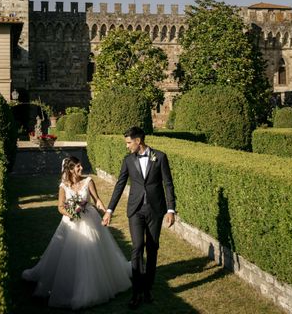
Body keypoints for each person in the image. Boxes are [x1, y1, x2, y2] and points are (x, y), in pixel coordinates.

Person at [22, 156, 131, 310]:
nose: (81, 168)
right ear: (70, 169)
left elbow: (97, 200)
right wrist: (71, 214)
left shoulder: (88, 181)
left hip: (90, 220)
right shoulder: (63, 186)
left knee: (92, 252)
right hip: (71, 223)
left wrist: (106, 213)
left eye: (81, 165)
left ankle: (94, 286)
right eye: (78, 166)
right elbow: (60, 207)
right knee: (68, 253)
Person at [102, 126, 177, 310]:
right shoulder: (128, 160)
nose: (127, 146)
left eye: (129, 142)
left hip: (156, 210)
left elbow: (168, 184)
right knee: (137, 248)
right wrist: (109, 210)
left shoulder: (160, 157)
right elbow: (120, 185)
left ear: (138, 141)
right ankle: (136, 293)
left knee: (152, 249)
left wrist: (171, 210)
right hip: (135, 210)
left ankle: (147, 289)